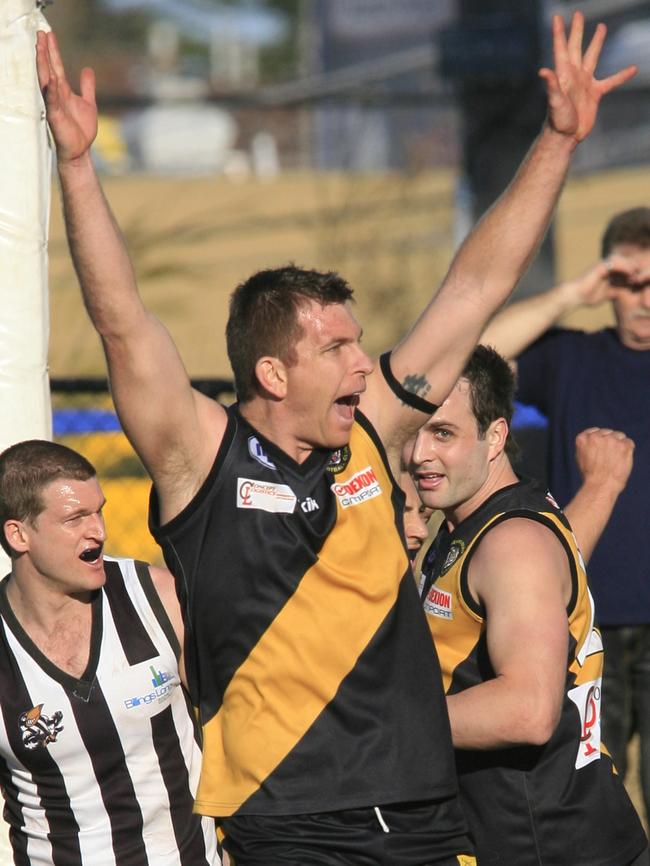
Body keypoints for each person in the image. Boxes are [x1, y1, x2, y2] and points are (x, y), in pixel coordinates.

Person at [36, 14, 637, 864]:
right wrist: (75, 163)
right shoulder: (200, 455)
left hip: (424, 817)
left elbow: (474, 288)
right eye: (338, 348)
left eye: (360, 344)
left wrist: (559, 141)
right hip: (290, 827)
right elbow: (125, 324)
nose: (365, 363)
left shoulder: (368, 435)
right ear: (274, 373)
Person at [409, 344, 647, 865]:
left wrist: (374, 724)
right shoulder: (490, 526)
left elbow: (528, 711)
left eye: (443, 433)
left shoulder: (512, 543)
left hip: (551, 845)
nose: (419, 453)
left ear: (495, 436)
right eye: (414, 432)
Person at [481, 206, 650, 816]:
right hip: (581, 622)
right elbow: (474, 353)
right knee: (578, 803)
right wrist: (571, 294)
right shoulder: (572, 358)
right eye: (630, 283)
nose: (643, 299)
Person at [0, 439, 221, 866]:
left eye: (98, 510)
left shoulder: (155, 598)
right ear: (19, 534)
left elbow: (233, 726)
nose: (98, 530)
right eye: (75, 518)